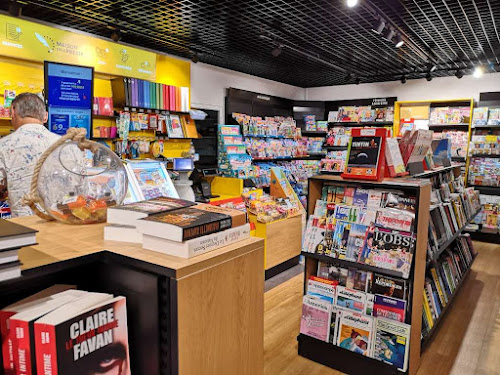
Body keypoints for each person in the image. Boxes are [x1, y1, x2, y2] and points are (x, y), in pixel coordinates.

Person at [0, 93, 60, 217]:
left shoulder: (4, 146)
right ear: (45, 116)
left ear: (13, 113)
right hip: (63, 226)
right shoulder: (68, 145)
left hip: (25, 230)